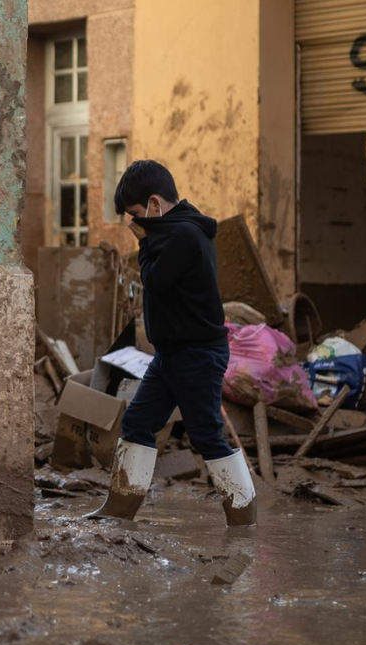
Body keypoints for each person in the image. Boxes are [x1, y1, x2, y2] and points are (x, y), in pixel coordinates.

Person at [90, 160, 257, 526]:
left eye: (136, 214)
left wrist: (144, 243)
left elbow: (155, 281)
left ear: (154, 203)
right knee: (137, 422)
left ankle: (243, 518)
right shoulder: (177, 231)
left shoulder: (183, 235)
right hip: (171, 354)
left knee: (206, 435)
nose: (134, 223)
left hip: (197, 354)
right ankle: (119, 509)